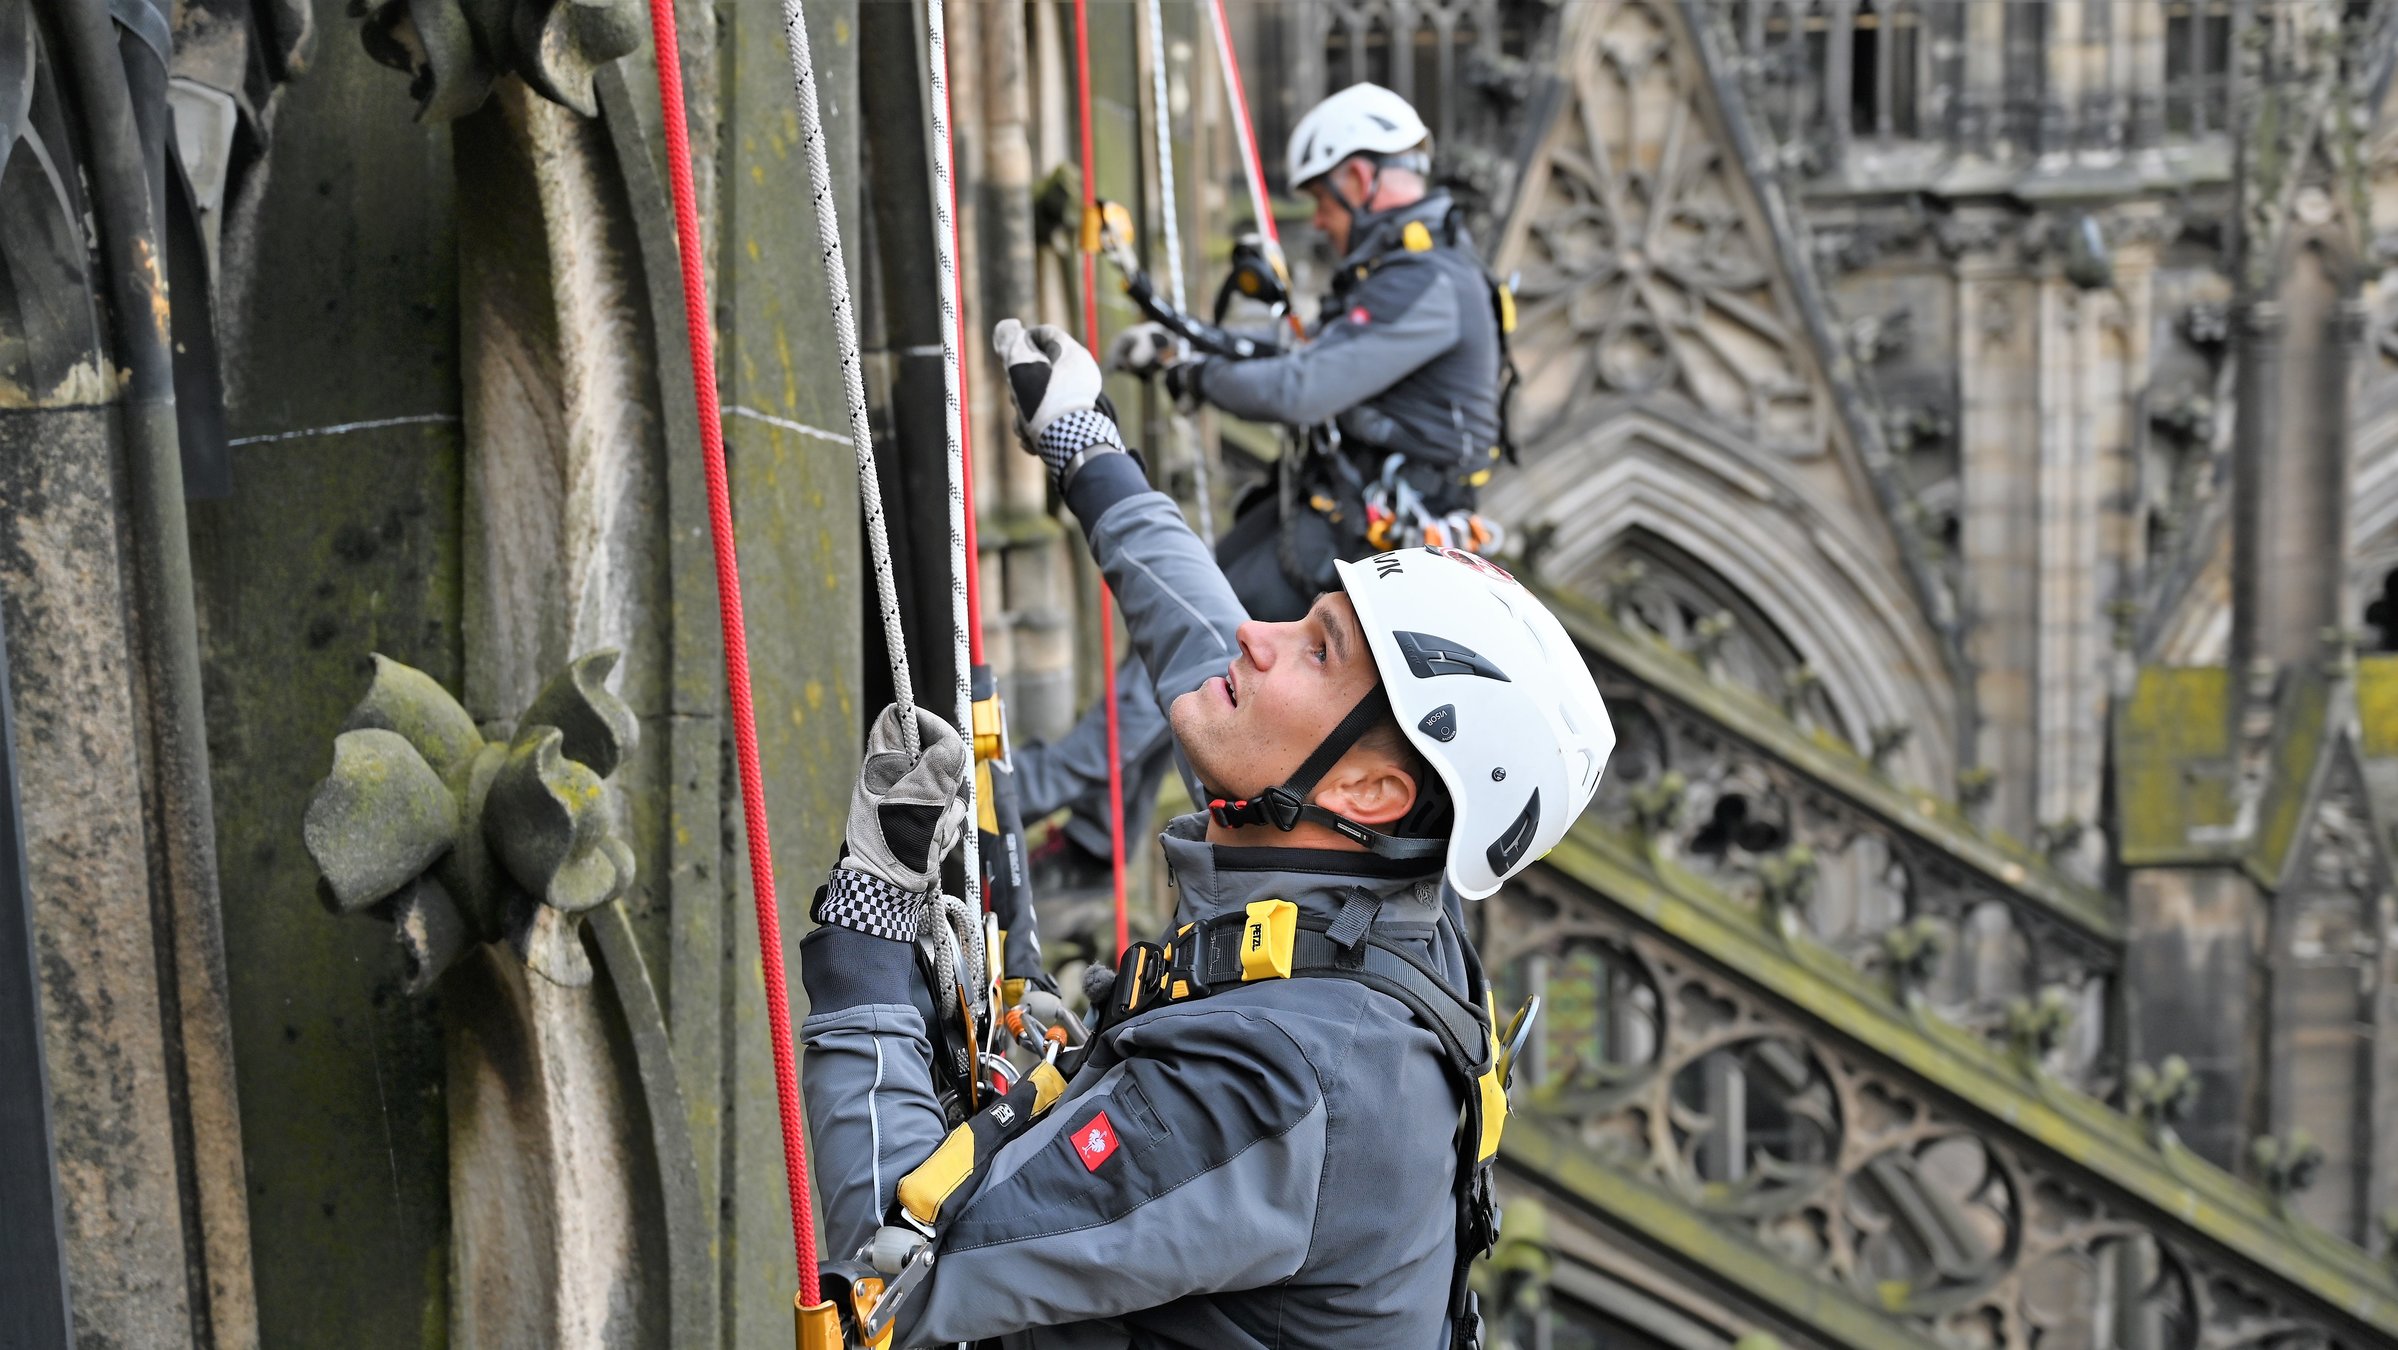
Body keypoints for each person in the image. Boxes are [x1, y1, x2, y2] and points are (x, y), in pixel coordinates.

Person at [797, 321, 1610, 1348]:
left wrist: (869, 926)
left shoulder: (1288, 1080)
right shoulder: (1357, 901)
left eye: (1314, 649)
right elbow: (1200, 636)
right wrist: (1086, 449)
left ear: (1371, 791)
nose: (1253, 636)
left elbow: (891, 1282)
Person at [1020, 81, 1514, 889]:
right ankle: (1094, 836)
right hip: (1330, 512)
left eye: (1321, 198)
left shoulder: (1433, 281)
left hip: (1349, 536)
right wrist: (1199, 348)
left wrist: (1195, 370)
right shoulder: (1403, 270)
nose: (1316, 219)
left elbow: (1301, 390)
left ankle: (1038, 794)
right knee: (1178, 638)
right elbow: (1306, 356)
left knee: (1195, 649)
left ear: (1358, 179)